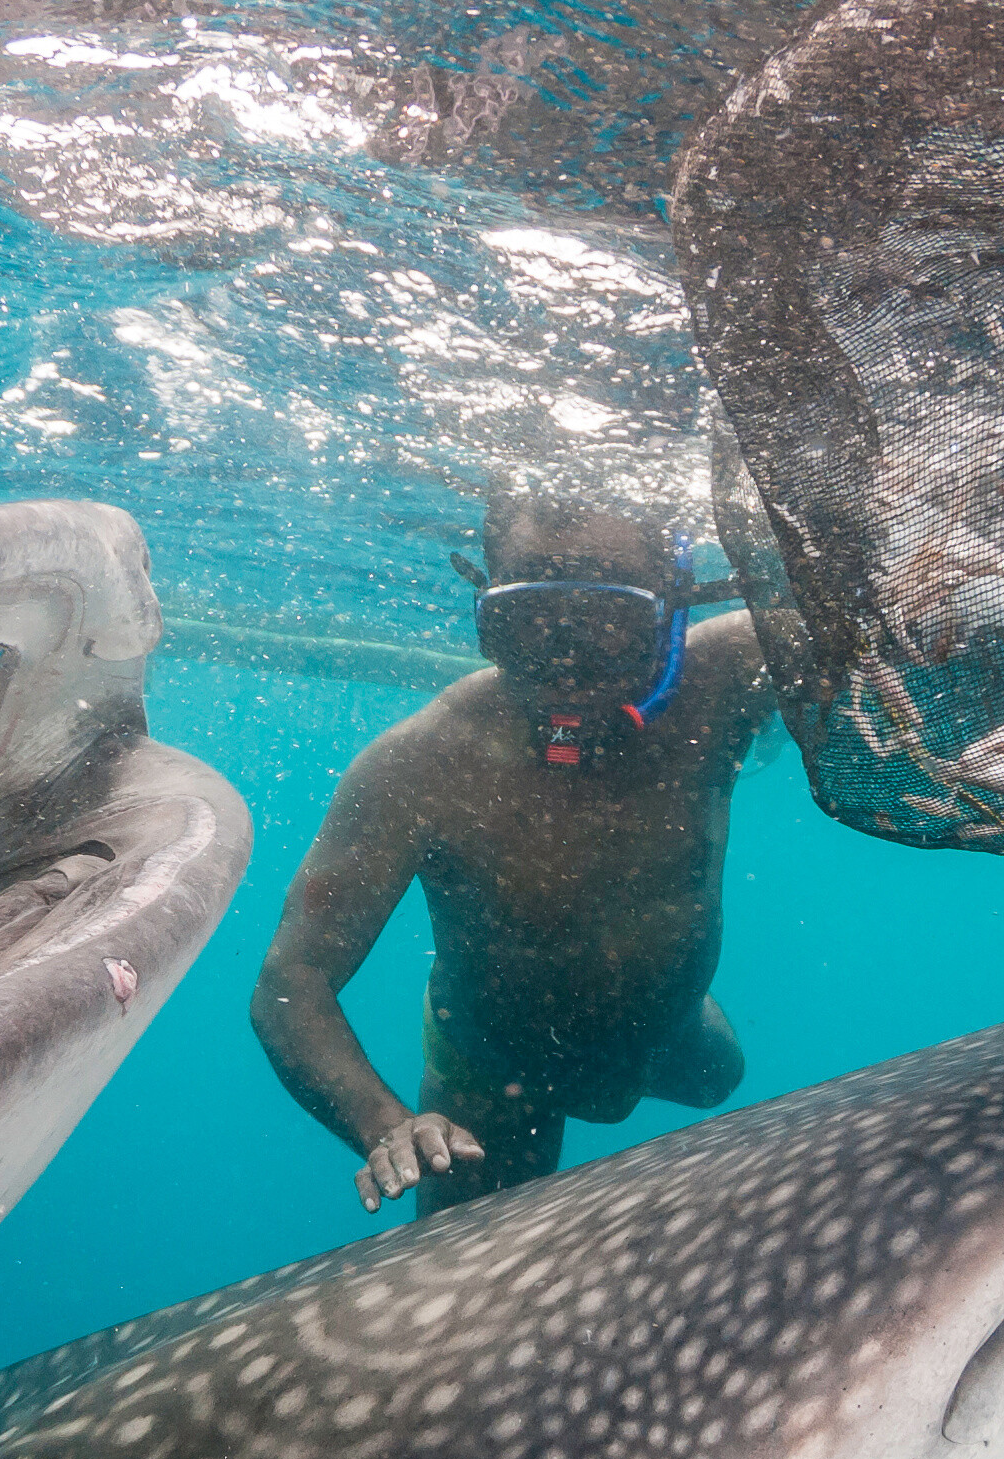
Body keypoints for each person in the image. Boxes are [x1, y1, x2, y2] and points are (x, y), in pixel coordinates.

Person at [254, 490, 781, 1214]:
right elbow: (292, 983)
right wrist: (388, 1127)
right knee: (457, 1284)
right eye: (530, 617)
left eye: (608, 619)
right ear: (486, 605)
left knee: (720, 1078)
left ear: (673, 610)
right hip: (492, 1073)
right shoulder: (422, 763)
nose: (567, 660)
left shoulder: (727, 676)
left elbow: (901, 622)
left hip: (670, 1033)